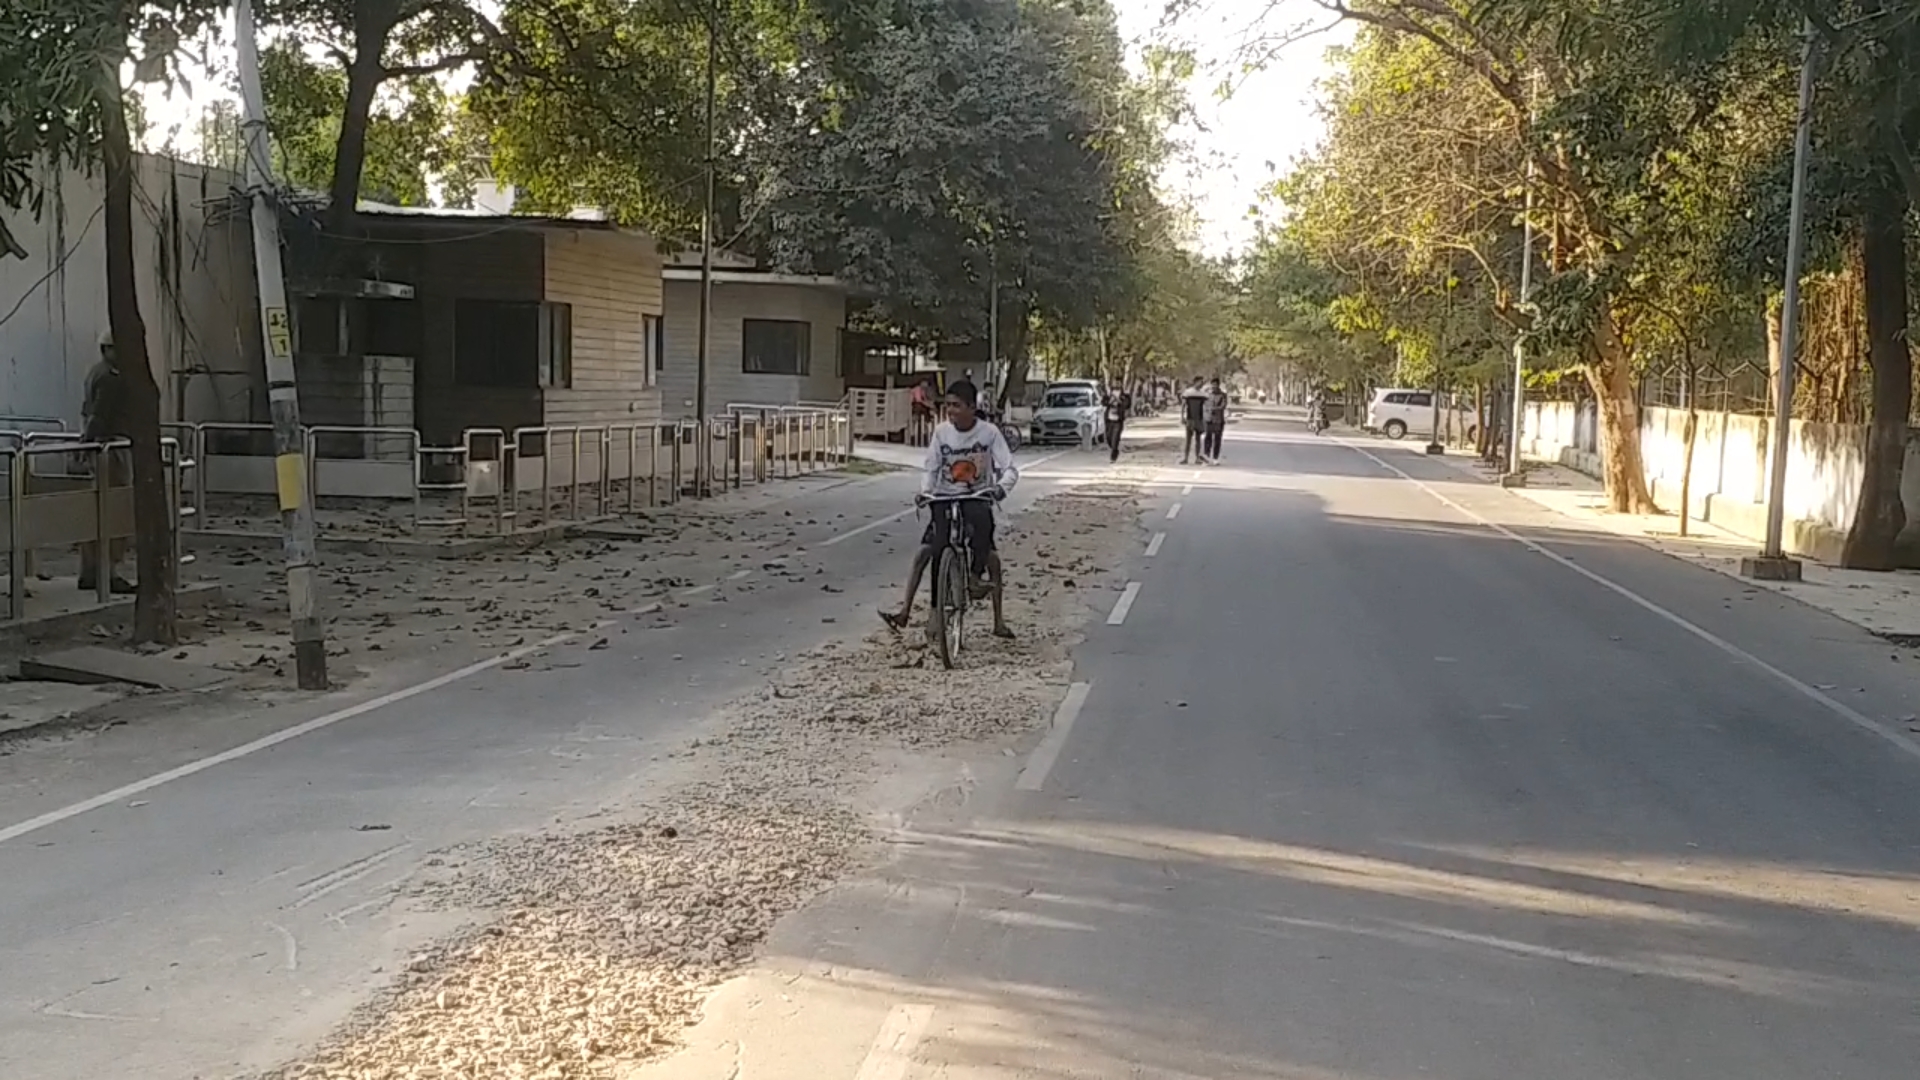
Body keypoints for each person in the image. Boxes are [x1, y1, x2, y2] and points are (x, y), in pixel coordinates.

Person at [881, 380, 1018, 639]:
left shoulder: (989, 433)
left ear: (971, 407)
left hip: (976, 496)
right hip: (944, 498)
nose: (951, 411)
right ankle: (934, 612)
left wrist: (1000, 488)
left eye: (957, 406)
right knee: (936, 549)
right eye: (948, 406)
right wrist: (926, 491)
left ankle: (976, 580)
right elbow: (931, 467)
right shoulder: (942, 433)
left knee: (984, 531)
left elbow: (1010, 468)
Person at [79, 331, 134, 593]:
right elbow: (98, 416)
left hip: (100, 448)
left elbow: (88, 411)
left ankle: (90, 569)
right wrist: (85, 444)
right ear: (108, 349)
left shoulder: (95, 372)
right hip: (112, 448)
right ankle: (109, 572)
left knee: (95, 510)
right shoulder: (112, 379)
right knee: (115, 509)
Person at [1201, 376, 1229, 464]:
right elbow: (1204, 405)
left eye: (1215, 385)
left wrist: (1214, 409)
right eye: (1212, 385)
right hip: (1208, 419)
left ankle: (1215, 458)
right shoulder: (1207, 394)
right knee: (1207, 438)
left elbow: (1223, 406)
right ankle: (1206, 456)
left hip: (1218, 420)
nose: (1213, 387)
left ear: (1218, 385)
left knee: (1217, 439)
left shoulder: (1222, 395)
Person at [1179, 379, 1207, 464]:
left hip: (1199, 418)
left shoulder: (1203, 394)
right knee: (1188, 439)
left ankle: (1197, 458)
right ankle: (1186, 458)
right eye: (1200, 382)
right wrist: (1182, 416)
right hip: (1190, 418)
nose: (1201, 384)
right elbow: (1183, 405)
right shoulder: (1188, 393)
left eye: (1202, 383)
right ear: (1195, 382)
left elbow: (1205, 407)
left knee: (1198, 439)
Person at [1103, 385, 1132, 463]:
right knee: (1109, 438)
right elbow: (1103, 402)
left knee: (1115, 439)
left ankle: (1113, 456)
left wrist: (1119, 400)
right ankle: (1114, 449)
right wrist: (1110, 401)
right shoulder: (1108, 394)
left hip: (1118, 421)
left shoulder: (1124, 395)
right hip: (1109, 420)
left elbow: (1127, 405)